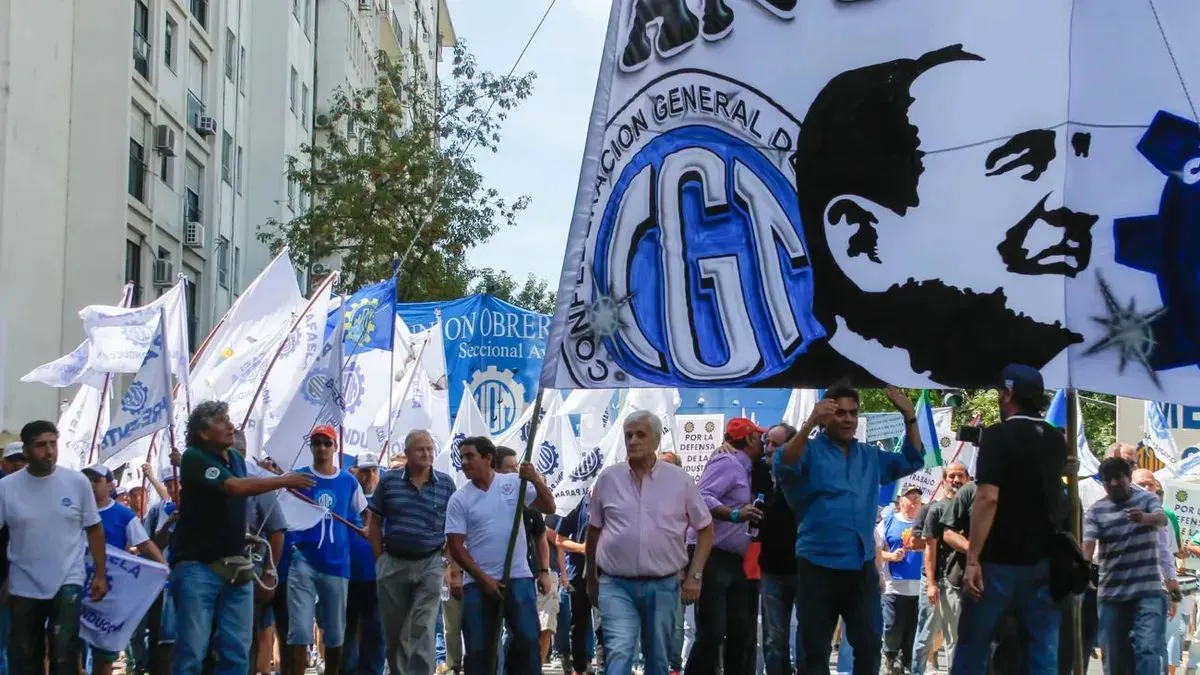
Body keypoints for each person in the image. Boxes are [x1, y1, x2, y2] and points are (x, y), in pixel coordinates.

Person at [774, 385, 923, 675]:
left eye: (853, 413)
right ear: (825, 416)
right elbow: (783, 464)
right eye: (840, 412)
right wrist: (810, 422)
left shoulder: (868, 455)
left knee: (869, 646)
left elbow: (912, 459)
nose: (848, 419)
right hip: (818, 564)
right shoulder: (809, 451)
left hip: (861, 566)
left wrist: (909, 415)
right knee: (814, 651)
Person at [168, 401, 314, 675]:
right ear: (203, 433)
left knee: (237, 651)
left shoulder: (235, 459)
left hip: (237, 565)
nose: (230, 425)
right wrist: (283, 480)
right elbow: (234, 487)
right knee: (192, 652)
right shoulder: (193, 457)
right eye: (220, 421)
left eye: (228, 418)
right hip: (197, 566)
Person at [952, 365, 1068, 674]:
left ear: (1008, 393)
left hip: (998, 561)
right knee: (1042, 649)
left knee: (974, 646)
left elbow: (988, 498)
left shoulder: (997, 436)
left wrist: (973, 559)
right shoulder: (1056, 440)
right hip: (1044, 559)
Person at [587, 411, 714, 675]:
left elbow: (705, 527)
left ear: (656, 440)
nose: (633, 441)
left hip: (663, 584)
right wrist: (591, 577)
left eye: (640, 435)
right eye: (628, 435)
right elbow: (594, 530)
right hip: (615, 583)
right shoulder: (608, 479)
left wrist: (695, 576)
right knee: (619, 651)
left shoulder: (680, 480)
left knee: (658, 658)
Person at [0, 421, 108, 675]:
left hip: (68, 578)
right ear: (26, 451)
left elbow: (94, 528)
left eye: (53, 444)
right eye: (41, 445)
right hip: (23, 581)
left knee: (63, 651)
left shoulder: (77, 482)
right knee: (25, 654)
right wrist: (2, 578)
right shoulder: (6, 488)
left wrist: (100, 574)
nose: (49, 451)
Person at [445, 436, 555, 675]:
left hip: (518, 577)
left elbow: (549, 507)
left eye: (470, 456)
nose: (464, 462)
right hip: (478, 584)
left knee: (527, 640)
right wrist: (483, 579)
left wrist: (535, 479)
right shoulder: (459, 499)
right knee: (478, 648)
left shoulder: (514, 483)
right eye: (462, 457)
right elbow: (456, 546)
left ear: (488, 458)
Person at [367, 429, 455, 675]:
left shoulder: (446, 484)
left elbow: (455, 527)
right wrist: (380, 560)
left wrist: (446, 563)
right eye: (420, 449)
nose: (426, 454)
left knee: (423, 628)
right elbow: (374, 523)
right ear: (407, 453)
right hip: (393, 562)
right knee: (396, 632)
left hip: (430, 563)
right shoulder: (390, 481)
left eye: (429, 448)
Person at [283, 425, 368, 675]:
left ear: (335, 446)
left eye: (326, 443)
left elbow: (365, 512)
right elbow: (282, 509)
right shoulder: (299, 478)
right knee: (299, 629)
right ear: (310, 447)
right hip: (303, 559)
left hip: (337, 562)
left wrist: (365, 529)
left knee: (335, 631)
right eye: (316, 442)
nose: (321, 448)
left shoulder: (348, 481)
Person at [686, 417, 765, 675]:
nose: (764, 443)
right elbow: (701, 497)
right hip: (712, 554)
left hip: (735, 559)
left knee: (739, 630)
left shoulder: (748, 468)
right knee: (712, 630)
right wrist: (734, 514)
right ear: (750, 438)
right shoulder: (727, 462)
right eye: (760, 437)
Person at [1083, 458, 1170, 675]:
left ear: (1129, 478)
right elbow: (1088, 543)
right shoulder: (1096, 511)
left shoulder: (1147, 499)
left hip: (1147, 591)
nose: (1113, 483)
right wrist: (1084, 568)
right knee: (1114, 657)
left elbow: (1161, 519)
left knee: (1147, 648)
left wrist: (1144, 518)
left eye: (1118, 477)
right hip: (1112, 593)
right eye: (1108, 480)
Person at [80, 464, 165, 675]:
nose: (91, 485)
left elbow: (144, 544)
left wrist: (163, 567)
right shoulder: (74, 511)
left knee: (104, 652)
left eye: (96, 480)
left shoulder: (123, 515)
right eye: (86, 480)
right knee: (72, 646)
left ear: (110, 485)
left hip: (109, 591)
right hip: (78, 586)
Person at [495, 447, 558, 667]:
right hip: (489, 577)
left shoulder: (526, 500)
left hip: (522, 577)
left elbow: (541, 534)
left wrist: (544, 571)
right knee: (491, 638)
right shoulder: (483, 497)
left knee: (524, 634)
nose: (516, 473)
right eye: (510, 468)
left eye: (517, 467)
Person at [910, 463, 969, 674]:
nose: (956, 480)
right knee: (927, 633)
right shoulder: (933, 509)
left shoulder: (971, 510)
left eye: (961, 476)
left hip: (959, 580)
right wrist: (931, 583)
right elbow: (926, 546)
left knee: (956, 636)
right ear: (943, 481)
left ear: (968, 480)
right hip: (934, 579)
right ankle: (917, 670)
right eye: (952, 476)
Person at [758, 424, 800, 675]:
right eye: (767, 442)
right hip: (771, 570)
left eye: (776, 444)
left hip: (804, 569)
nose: (769, 448)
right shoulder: (760, 475)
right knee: (774, 639)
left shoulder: (803, 478)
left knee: (808, 636)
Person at [877, 485, 925, 675]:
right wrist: (890, 556)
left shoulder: (925, 522)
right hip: (894, 586)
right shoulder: (889, 521)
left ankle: (906, 663)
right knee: (892, 628)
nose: (915, 501)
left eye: (917, 498)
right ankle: (889, 658)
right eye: (910, 497)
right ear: (901, 501)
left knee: (913, 631)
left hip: (920, 588)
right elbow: (875, 550)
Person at [344, 457, 384, 675]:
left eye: (374, 471)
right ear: (354, 472)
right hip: (346, 573)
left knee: (374, 628)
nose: (370, 476)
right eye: (365, 471)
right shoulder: (347, 495)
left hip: (375, 574)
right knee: (346, 627)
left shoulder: (383, 500)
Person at [555, 494, 594, 675]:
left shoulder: (616, 498)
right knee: (578, 623)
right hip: (579, 573)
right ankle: (579, 668)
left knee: (606, 624)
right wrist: (582, 548)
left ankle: (606, 666)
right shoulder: (578, 502)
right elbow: (559, 539)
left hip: (608, 572)